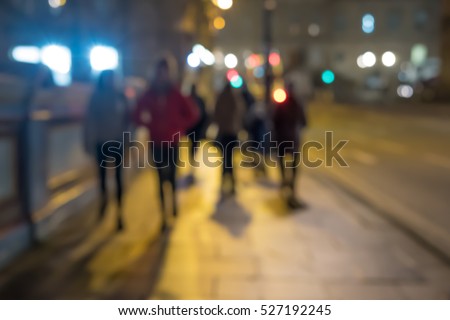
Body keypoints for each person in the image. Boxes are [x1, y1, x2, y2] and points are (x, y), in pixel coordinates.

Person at [133, 58, 199, 231]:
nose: (162, 75)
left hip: (173, 142)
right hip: (156, 142)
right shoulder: (150, 93)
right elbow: (136, 113)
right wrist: (149, 125)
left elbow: (193, 114)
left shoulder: (175, 93)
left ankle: (173, 204)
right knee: (160, 178)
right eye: (160, 72)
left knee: (172, 176)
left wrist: (179, 126)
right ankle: (164, 214)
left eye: (165, 72)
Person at [84, 70, 130, 231]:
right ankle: (103, 203)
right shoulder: (96, 97)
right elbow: (90, 120)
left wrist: (128, 140)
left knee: (118, 177)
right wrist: (89, 141)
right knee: (102, 177)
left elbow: (128, 120)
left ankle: (119, 212)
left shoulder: (120, 96)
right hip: (101, 142)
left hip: (117, 142)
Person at [272, 82, 307, 209]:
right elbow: (304, 122)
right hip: (293, 139)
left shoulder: (281, 103)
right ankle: (291, 186)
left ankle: (283, 181)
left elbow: (274, 120)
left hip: (281, 138)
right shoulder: (298, 104)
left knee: (281, 160)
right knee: (294, 164)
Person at [213, 81, 244, 198]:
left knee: (224, 158)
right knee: (230, 158)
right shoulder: (235, 98)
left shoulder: (221, 98)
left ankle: (223, 179)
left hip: (223, 133)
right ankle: (231, 181)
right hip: (232, 133)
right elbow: (240, 113)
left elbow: (215, 114)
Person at [187, 84, 209, 172]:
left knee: (194, 144)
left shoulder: (193, 99)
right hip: (194, 127)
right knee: (194, 144)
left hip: (196, 127)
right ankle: (193, 158)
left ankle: (193, 158)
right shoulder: (191, 100)